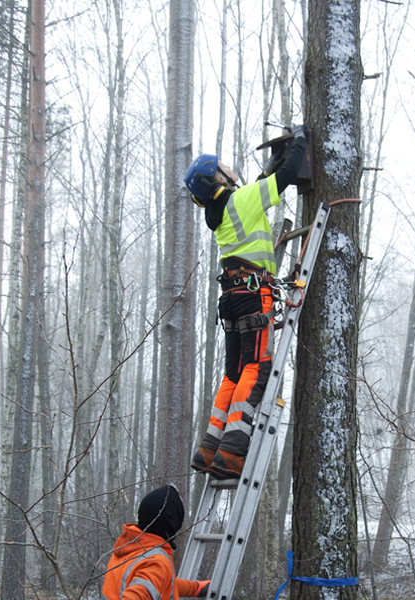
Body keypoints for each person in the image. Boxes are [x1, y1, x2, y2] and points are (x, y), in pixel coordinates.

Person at [184, 126, 307, 479]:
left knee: (234, 372)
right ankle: (234, 450)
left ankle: (210, 447)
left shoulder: (222, 211)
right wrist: (299, 142)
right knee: (257, 368)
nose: (229, 168)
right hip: (253, 294)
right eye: (222, 167)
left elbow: (255, 185)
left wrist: (270, 163)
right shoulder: (241, 200)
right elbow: (282, 178)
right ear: (217, 178)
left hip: (232, 296)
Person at [102, 484, 210, 600]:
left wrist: (196, 588)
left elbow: (160, 582)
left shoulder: (128, 548)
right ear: (171, 522)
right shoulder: (156, 562)